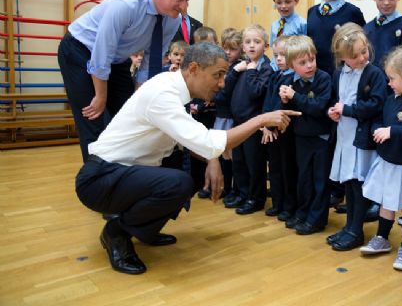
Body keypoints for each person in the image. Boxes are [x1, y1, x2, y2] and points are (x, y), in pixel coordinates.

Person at [76, 42, 300, 275]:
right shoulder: (164, 94)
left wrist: (211, 161)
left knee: (193, 170)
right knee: (178, 182)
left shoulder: (171, 86)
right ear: (193, 69)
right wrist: (260, 120)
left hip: (123, 173)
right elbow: (208, 143)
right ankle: (117, 232)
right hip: (100, 180)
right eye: (218, 75)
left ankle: (141, 228)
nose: (222, 83)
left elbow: (193, 139)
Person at [58, 0, 196, 162]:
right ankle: (96, 180)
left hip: (116, 59)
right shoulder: (125, 6)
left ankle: (123, 178)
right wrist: (100, 95)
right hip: (80, 51)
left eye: (187, 0)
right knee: (94, 118)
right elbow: (101, 54)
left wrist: (141, 96)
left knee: (128, 115)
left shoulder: (172, 20)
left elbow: (151, 61)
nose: (183, 6)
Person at [359, 46, 402, 272]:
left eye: (392, 78)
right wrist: (379, 129)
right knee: (386, 203)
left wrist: (392, 132)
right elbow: (381, 119)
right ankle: (382, 238)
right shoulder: (392, 99)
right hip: (387, 162)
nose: (389, 83)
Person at [327, 23, 387, 250]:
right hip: (345, 136)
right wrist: (333, 112)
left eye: (364, 51)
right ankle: (349, 226)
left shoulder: (374, 74)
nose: (362, 57)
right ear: (342, 57)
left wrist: (347, 110)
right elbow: (336, 100)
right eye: (355, 56)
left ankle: (356, 230)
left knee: (359, 184)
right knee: (349, 183)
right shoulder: (339, 73)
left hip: (362, 140)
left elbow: (375, 104)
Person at [278, 36, 333, 234]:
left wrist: (294, 97)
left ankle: (316, 219)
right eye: (302, 63)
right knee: (304, 179)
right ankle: (303, 213)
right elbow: (291, 110)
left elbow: (318, 107)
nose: (309, 65)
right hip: (301, 137)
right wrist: (285, 100)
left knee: (320, 181)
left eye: (312, 59)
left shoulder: (324, 79)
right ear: (292, 65)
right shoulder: (291, 81)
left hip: (320, 138)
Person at [225, 24, 272, 214]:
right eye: (248, 42)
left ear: (265, 45)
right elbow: (226, 89)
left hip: (253, 125)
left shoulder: (266, 68)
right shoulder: (242, 66)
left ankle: (256, 198)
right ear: (243, 47)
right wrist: (237, 71)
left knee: (254, 164)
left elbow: (256, 92)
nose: (252, 46)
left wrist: (251, 70)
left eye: (257, 42)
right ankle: (243, 194)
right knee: (239, 162)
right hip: (238, 123)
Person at [307, 0, 366, 76]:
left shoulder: (353, 12)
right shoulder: (311, 12)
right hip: (316, 78)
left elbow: (364, 46)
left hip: (343, 77)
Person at [261, 36, 297, 220]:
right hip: (271, 129)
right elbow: (268, 101)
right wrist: (266, 125)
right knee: (274, 167)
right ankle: (277, 202)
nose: (279, 59)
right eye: (276, 55)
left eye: (283, 55)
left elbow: (284, 106)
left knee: (287, 169)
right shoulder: (276, 75)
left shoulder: (294, 79)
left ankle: (289, 206)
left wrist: (273, 125)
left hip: (285, 131)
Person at [215, 31, 243, 206]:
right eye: (225, 48)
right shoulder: (222, 65)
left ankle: (236, 189)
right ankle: (226, 187)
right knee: (222, 154)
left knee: (233, 156)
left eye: (232, 49)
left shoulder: (239, 68)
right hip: (220, 115)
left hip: (231, 116)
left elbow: (225, 91)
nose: (228, 52)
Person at [269, 0, 307, 69]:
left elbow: (305, 50)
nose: (283, 6)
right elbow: (274, 48)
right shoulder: (274, 25)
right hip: (276, 69)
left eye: (287, 2)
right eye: (279, 2)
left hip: (293, 69)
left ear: (296, 1)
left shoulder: (302, 24)